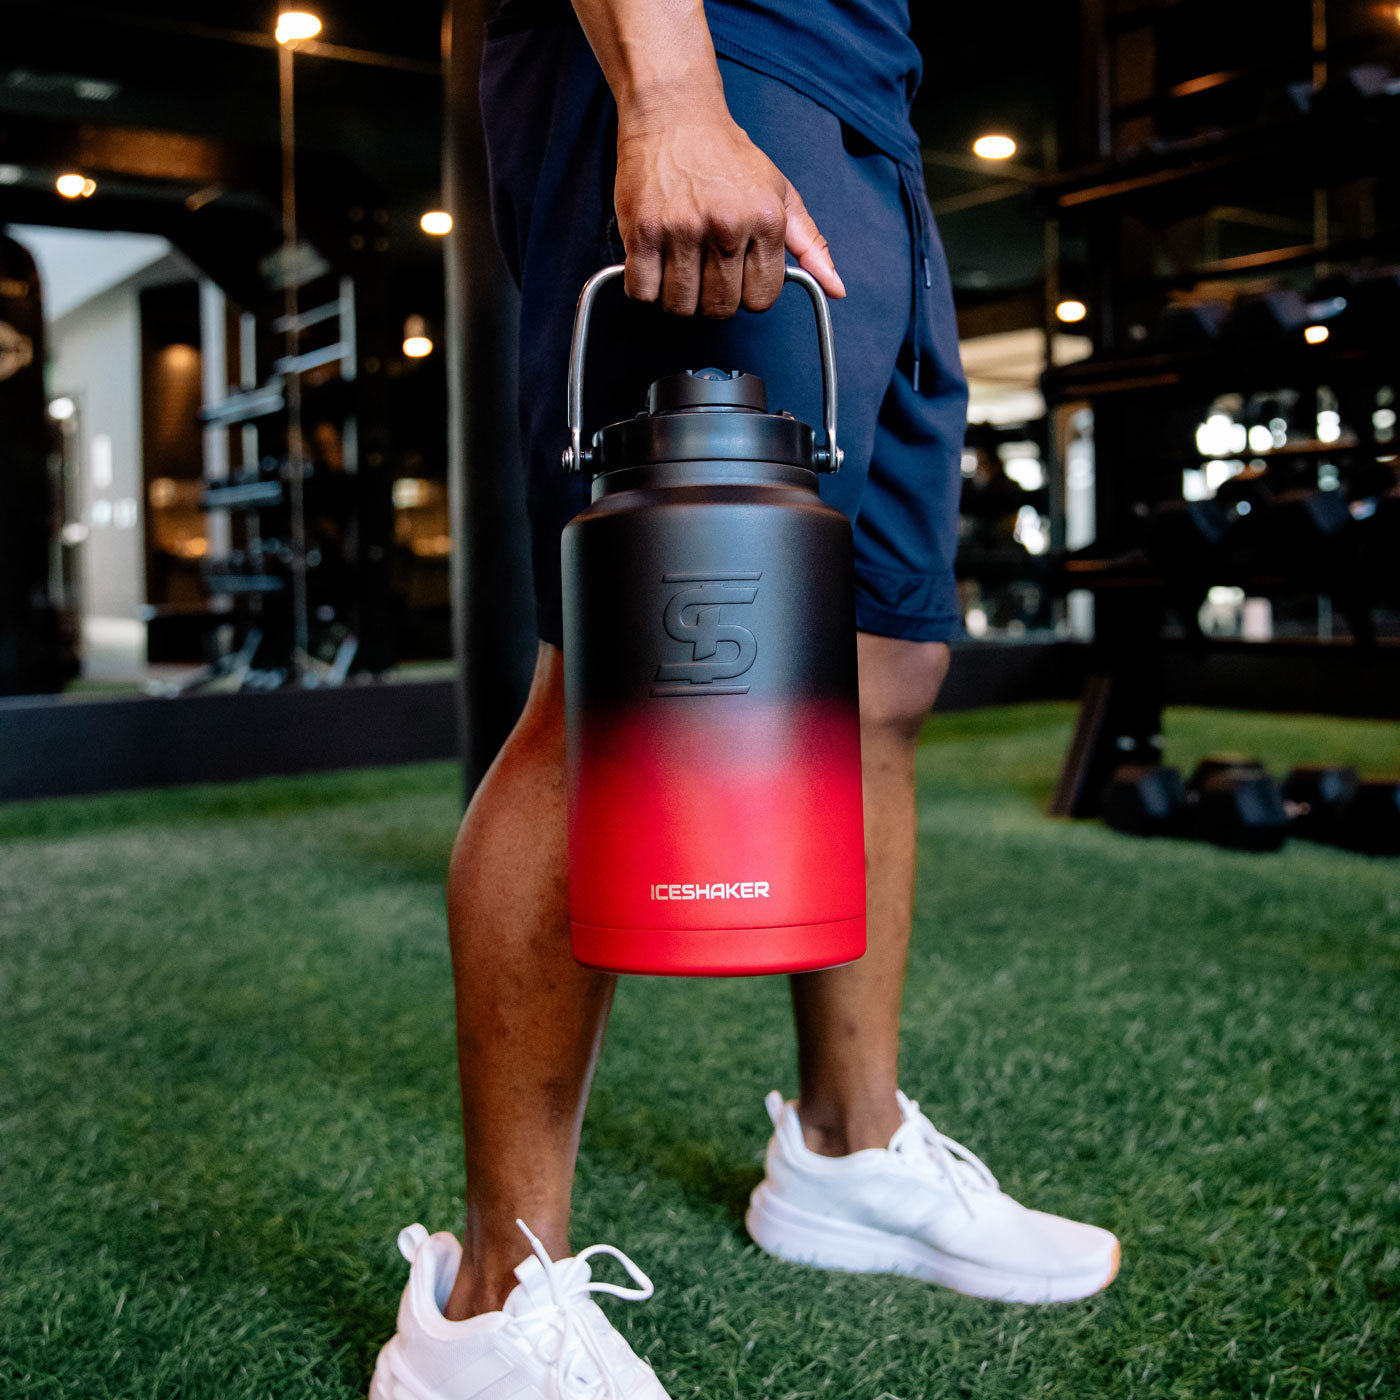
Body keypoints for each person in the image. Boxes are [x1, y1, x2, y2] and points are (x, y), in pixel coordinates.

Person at [371, 2, 1120, 1396]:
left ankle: (848, 1148)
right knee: (630, 666)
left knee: (883, 660)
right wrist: (666, 90)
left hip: (865, 98)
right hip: (711, 54)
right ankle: (484, 1307)